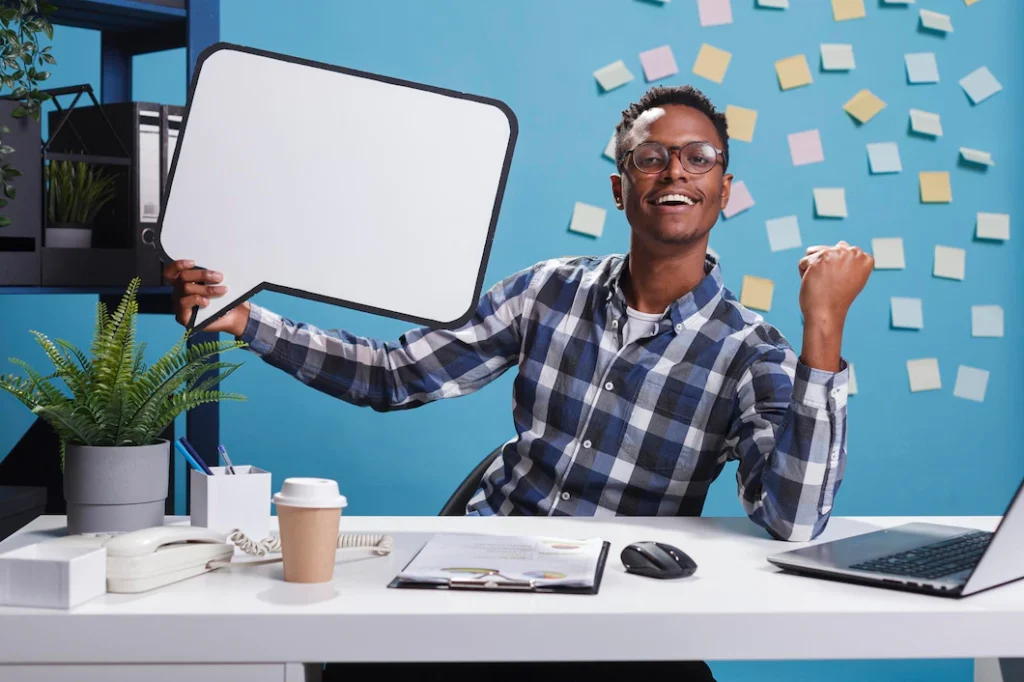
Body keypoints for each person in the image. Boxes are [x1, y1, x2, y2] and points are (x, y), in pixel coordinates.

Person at [163, 85, 873, 681]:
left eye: (698, 158)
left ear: (724, 187)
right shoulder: (546, 291)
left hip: (620, 601)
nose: (675, 173)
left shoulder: (754, 351)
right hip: (482, 570)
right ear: (621, 188)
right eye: (651, 158)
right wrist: (247, 321)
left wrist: (823, 332)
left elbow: (793, 518)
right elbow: (395, 374)